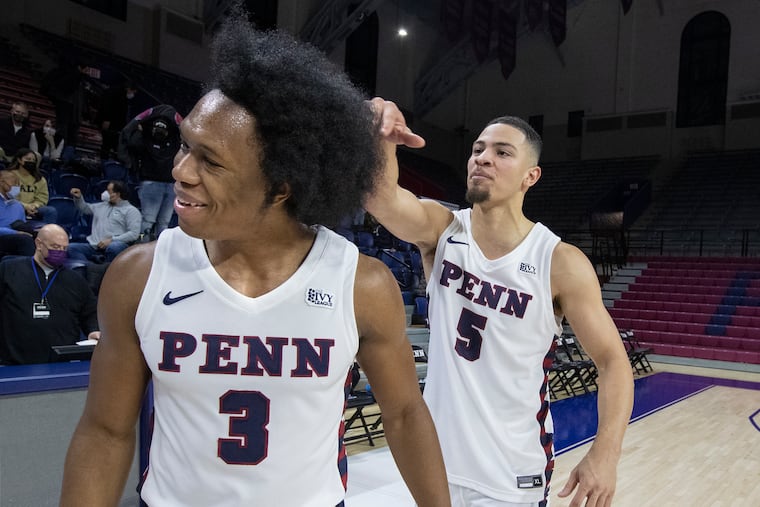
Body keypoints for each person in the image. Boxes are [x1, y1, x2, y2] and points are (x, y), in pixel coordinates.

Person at [60, 14, 449, 507]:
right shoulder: (139, 274)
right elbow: (105, 431)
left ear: (282, 186)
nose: (181, 171)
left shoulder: (359, 284)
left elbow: (404, 415)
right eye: (186, 146)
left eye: (211, 161)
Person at [366, 99, 635, 507]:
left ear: (531, 175)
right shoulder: (441, 229)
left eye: (501, 152)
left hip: (510, 474)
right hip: (431, 465)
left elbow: (613, 362)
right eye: (477, 149)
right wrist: (383, 137)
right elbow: (382, 198)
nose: (483, 159)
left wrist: (606, 453)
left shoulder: (558, 261)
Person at [0, 224, 100, 365]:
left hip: (61, 363)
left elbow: (90, 312)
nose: (60, 251)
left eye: (64, 248)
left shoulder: (75, 279)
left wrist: (93, 330)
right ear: (39, 244)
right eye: (55, 247)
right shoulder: (9, 270)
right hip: (14, 361)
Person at [123, 104, 182, 238]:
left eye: (163, 128)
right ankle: (141, 244)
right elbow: (132, 144)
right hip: (151, 184)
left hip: (170, 185)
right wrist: (138, 130)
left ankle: (159, 250)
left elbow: (184, 133)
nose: (160, 131)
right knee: (147, 222)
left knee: (164, 223)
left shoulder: (173, 142)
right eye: (157, 128)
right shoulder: (145, 140)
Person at [68, 180, 141, 263]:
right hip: (95, 246)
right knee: (71, 248)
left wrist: (112, 240)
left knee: (114, 247)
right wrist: (79, 198)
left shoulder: (131, 211)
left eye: (109, 191)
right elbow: (84, 208)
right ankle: (87, 268)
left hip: (117, 246)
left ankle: (107, 270)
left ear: (117, 194)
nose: (105, 193)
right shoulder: (101, 206)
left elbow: (134, 234)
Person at [10, 148, 57, 224]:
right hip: (15, 206)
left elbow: (42, 198)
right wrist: (25, 206)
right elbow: (10, 198)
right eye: (28, 159)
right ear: (19, 160)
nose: (31, 162)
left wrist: (34, 205)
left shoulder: (40, 179)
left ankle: (45, 233)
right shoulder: (11, 176)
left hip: (34, 208)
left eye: (33, 160)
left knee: (51, 211)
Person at [0, 169, 35, 256]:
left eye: (17, 184)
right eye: (14, 183)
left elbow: (22, 224)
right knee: (24, 240)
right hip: (3, 237)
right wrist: (15, 233)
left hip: (18, 237)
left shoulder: (18, 205)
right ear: (2, 182)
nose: (16, 187)